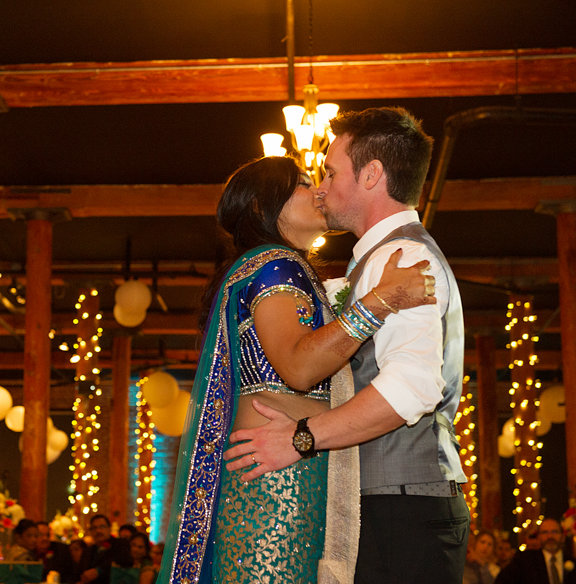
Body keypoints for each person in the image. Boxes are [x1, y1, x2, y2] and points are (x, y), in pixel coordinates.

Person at [157, 154, 436, 584]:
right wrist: (382, 300)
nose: (320, 191)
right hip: (278, 478)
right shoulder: (275, 265)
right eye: (305, 184)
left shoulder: (268, 266)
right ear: (262, 207)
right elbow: (299, 367)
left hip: (274, 467)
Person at [223, 106, 470, 584]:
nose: (321, 186)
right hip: (385, 502)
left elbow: (412, 387)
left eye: (331, 171)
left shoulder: (403, 256)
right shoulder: (372, 265)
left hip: (403, 505)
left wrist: (302, 438)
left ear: (372, 174)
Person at [496, 518, 576, 584]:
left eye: (554, 532)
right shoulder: (525, 561)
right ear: (539, 537)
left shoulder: (572, 562)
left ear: (562, 537)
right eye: (545, 532)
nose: (550, 536)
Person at [80, 514, 132, 584]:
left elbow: (124, 559)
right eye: (94, 528)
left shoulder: (119, 544)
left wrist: (99, 570)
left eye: (102, 526)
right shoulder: (87, 551)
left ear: (109, 528)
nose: (98, 531)